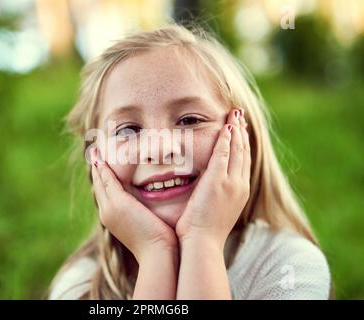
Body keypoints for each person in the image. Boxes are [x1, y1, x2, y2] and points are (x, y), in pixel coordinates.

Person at [48, 23, 331, 300]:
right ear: (95, 153)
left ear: (243, 137)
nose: (159, 150)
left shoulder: (287, 266)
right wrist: (155, 253)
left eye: (189, 120)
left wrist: (202, 239)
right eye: (129, 130)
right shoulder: (81, 285)